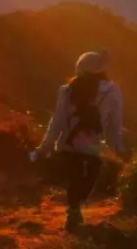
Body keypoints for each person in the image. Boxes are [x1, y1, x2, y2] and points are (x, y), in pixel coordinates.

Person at [32, 50, 126, 232]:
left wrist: (45, 147)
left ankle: (74, 209)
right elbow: (115, 124)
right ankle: (75, 209)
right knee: (91, 174)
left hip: (68, 142)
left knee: (75, 176)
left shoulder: (68, 90)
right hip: (91, 146)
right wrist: (118, 147)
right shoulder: (112, 92)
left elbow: (57, 121)